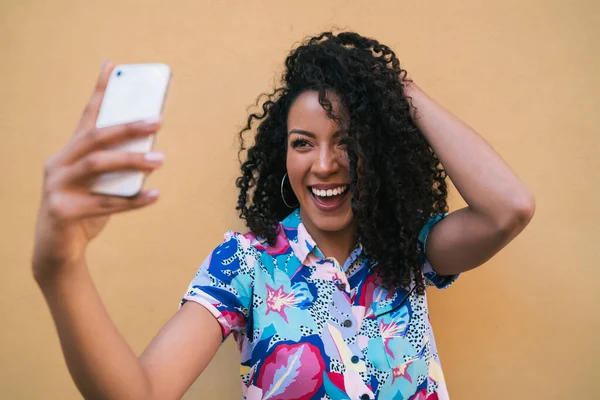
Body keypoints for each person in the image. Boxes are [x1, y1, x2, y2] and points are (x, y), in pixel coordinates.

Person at [32, 31, 535, 399]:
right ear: (284, 157)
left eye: (348, 142)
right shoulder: (245, 263)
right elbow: (139, 393)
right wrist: (61, 268)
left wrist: (393, 90)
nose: (324, 164)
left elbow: (508, 209)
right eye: (303, 144)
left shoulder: (409, 245)